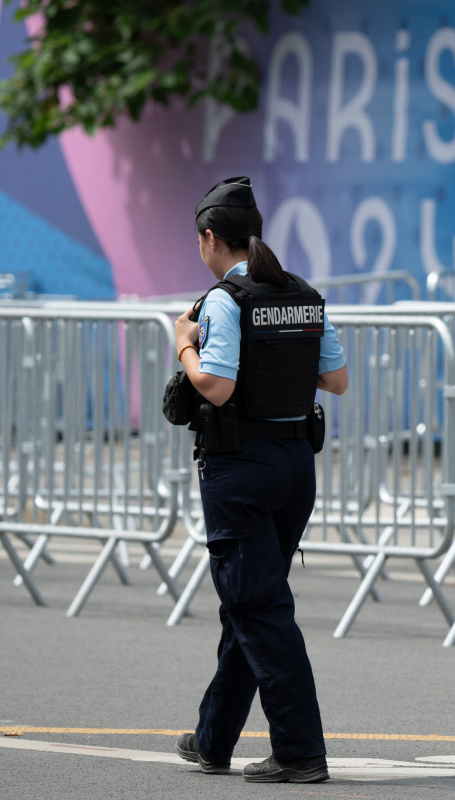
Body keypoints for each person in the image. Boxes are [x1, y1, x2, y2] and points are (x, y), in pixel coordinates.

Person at [171, 176, 347, 784]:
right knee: (248, 605)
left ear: (209, 239)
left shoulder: (224, 299)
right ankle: (214, 738)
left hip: (242, 468)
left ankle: (299, 751)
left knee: (259, 607)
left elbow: (215, 387)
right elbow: (337, 381)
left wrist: (184, 346)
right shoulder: (304, 293)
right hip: (296, 465)